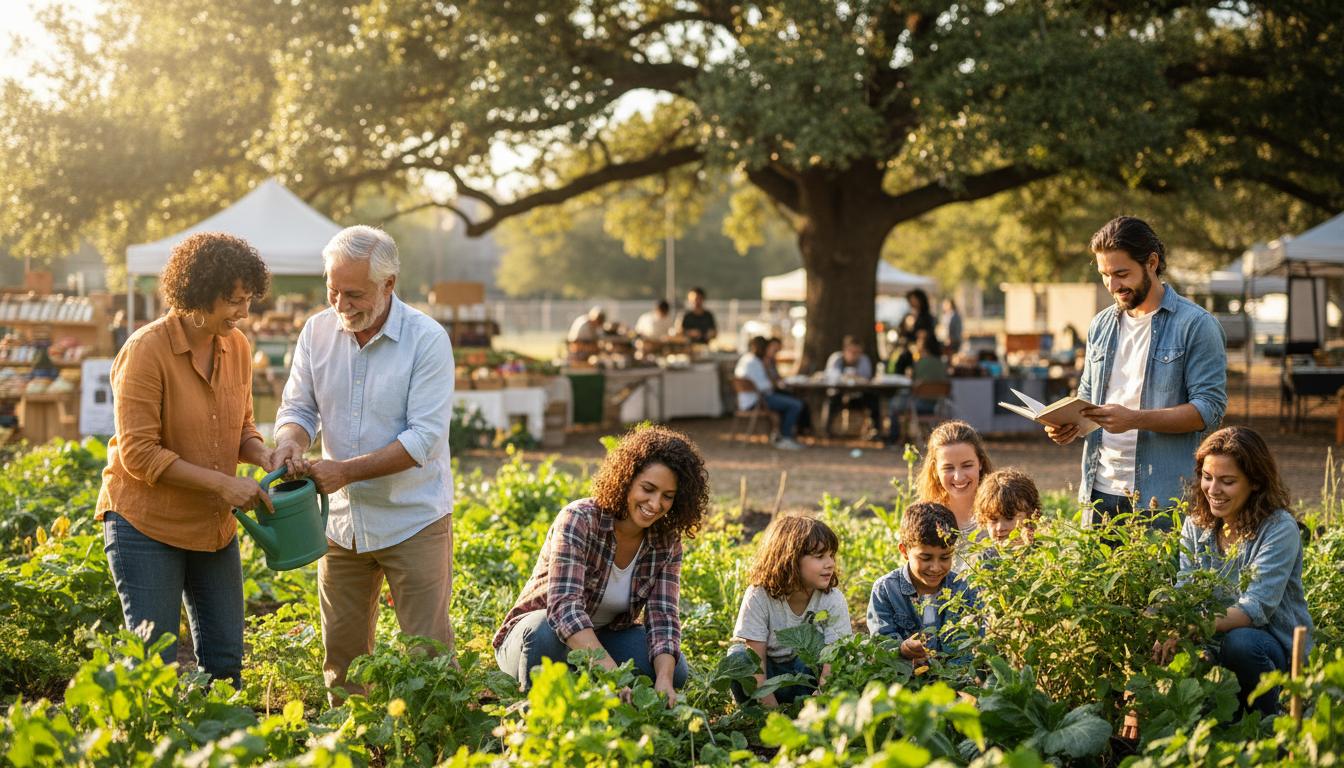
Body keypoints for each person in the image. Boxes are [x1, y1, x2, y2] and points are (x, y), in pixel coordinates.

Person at [272, 225, 455, 700]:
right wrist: (291, 440)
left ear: (389, 283)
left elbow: (424, 439)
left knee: (428, 653)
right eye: (332, 291)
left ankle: (434, 744)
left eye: (354, 293)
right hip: (341, 523)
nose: (341, 305)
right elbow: (298, 408)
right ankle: (351, 741)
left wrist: (344, 471)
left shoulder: (427, 340)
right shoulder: (316, 331)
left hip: (412, 517)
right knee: (343, 657)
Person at [96, 232, 275, 688]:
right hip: (145, 524)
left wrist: (264, 455)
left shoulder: (237, 348)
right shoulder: (146, 351)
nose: (244, 313)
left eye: (248, 300)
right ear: (199, 293)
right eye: (235, 301)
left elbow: (242, 429)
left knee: (225, 661)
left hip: (212, 526)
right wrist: (221, 485)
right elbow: (138, 453)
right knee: (154, 666)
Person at [494, 425, 708, 705]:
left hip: (602, 639)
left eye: (667, 496)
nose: (655, 504)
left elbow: (663, 616)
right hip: (541, 636)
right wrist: (612, 674)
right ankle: (542, 703)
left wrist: (664, 680)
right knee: (542, 632)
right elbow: (564, 609)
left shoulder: (666, 541)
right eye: (648, 489)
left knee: (674, 669)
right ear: (627, 479)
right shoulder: (580, 519)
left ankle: (583, 684)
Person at [1046, 216, 1227, 528]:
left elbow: (1208, 411)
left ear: (1152, 263)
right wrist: (1067, 424)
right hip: (1099, 491)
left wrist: (1134, 419)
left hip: (1163, 496)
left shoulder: (1196, 325)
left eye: (1121, 274)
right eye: (1105, 275)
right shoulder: (1100, 325)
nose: (1113, 286)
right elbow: (1088, 399)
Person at [1152, 427, 1313, 716]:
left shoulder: (1278, 529)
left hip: (1271, 650)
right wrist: (1167, 624)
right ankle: (1218, 723)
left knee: (1240, 644)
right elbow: (1185, 587)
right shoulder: (1196, 523)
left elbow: (1254, 609)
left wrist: (1190, 627)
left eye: (1227, 481)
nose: (1213, 490)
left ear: (1255, 483)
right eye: (1207, 477)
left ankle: (1267, 723)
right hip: (1210, 643)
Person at [726, 516, 852, 707]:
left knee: (831, 658)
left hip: (807, 680)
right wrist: (773, 716)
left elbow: (832, 665)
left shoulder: (832, 599)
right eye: (819, 557)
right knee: (740, 658)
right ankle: (753, 711)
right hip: (768, 676)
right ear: (790, 560)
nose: (830, 564)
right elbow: (756, 665)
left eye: (831, 555)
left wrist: (817, 706)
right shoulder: (758, 596)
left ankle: (802, 708)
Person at [866, 501, 975, 666]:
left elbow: (969, 647)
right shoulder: (886, 590)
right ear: (904, 551)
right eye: (926, 558)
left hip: (953, 680)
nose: (936, 567)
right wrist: (902, 649)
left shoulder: (962, 588)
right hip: (904, 681)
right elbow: (880, 642)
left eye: (945, 557)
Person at [917, 420, 994, 541]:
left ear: (981, 463)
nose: (958, 477)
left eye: (967, 465)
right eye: (948, 468)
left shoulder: (1001, 515)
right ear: (935, 470)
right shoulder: (924, 520)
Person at [736, 335, 806, 450]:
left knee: (788, 401)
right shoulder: (754, 362)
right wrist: (773, 383)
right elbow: (763, 386)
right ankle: (786, 437)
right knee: (795, 404)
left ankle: (779, 435)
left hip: (748, 399)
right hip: (758, 400)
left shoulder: (745, 359)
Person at [886, 330, 949, 447]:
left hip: (918, 404)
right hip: (937, 405)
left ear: (922, 346)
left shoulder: (919, 363)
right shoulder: (941, 363)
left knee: (894, 404)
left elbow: (913, 385)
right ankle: (905, 437)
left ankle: (894, 439)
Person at [823, 335, 884, 440]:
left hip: (859, 395)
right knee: (831, 400)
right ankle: (827, 432)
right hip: (839, 394)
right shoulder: (837, 359)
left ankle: (876, 432)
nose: (854, 355)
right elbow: (831, 376)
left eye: (857, 352)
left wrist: (855, 378)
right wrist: (845, 377)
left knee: (873, 399)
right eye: (851, 351)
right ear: (845, 350)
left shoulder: (864, 359)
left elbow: (866, 379)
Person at [973, 469, 1042, 548]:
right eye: (993, 519)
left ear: (1030, 515)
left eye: (1009, 518)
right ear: (983, 520)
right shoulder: (984, 557)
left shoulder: (1045, 551)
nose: (1000, 528)